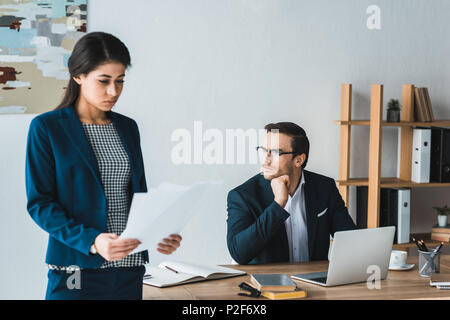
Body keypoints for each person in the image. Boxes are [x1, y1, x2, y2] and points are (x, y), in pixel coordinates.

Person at [25, 32, 182, 300]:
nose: (114, 91)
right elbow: (40, 204)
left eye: (120, 81)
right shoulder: (47, 128)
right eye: (104, 81)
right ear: (78, 75)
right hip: (76, 269)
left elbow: (138, 196)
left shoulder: (127, 128)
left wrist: (158, 232)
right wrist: (93, 241)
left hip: (129, 269)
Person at [226, 122, 356, 265]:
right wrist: (278, 204)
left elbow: (349, 240)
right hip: (268, 284)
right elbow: (239, 253)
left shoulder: (324, 188)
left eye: (275, 152)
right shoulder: (242, 196)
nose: (266, 159)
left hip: (315, 282)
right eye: (264, 150)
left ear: (299, 160)